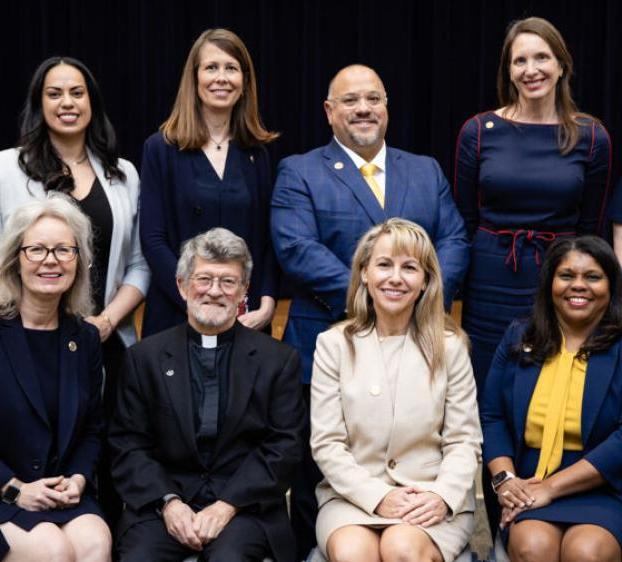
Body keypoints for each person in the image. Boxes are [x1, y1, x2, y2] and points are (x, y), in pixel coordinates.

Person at [271, 64, 469, 556]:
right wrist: (380, 297)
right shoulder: (300, 170)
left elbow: (454, 240)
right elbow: (297, 248)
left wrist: (414, 298)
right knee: (321, 487)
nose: (364, 108)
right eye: (351, 100)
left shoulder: (424, 170)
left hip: (421, 337)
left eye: (374, 98)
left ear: (387, 106)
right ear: (329, 112)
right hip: (329, 335)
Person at [0, 55, 150, 525]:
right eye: (54, 93)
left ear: (92, 102)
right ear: (38, 104)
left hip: (103, 337)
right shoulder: (7, 168)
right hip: (26, 334)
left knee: (96, 453)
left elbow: (140, 263)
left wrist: (105, 322)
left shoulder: (123, 172)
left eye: (77, 92)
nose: (67, 102)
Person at [110, 228, 304, 562]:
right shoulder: (144, 358)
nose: (214, 292)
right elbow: (128, 444)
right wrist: (170, 503)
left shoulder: (278, 360)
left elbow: (284, 445)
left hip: (245, 506)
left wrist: (227, 506)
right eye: (204, 279)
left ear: (244, 291)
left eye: (228, 282)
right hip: (163, 504)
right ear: (182, 285)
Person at [453, 17, 611, 394]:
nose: (531, 70)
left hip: (557, 279)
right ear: (508, 70)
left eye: (542, 57)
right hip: (489, 278)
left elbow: (592, 229)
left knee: (548, 385)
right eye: (519, 60)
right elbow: (464, 220)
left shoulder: (592, 137)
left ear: (561, 65)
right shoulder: (478, 131)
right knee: (486, 382)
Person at [311, 218, 481, 562]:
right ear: (364, 273)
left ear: (425, 281)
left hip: (430, 499)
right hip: (352, 499)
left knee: (401, 548)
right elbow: (327, 444)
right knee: (352, 554)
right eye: (384, 265)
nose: (395, 278)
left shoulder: (450, 348)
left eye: (410, 268)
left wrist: (443, 496)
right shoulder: (333, 345)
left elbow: (464, 441)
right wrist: (377, 496)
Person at [481, 236, 622, 562]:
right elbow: (492, 417)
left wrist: (551, 488)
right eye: (567, 276)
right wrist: (505, 481)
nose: (579, 285)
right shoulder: (519, 337)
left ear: (611, 285)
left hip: (604, 486)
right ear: (550, 283)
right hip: (528, 481)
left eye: (592, 277)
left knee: (586, 552)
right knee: (532, 547)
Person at [140, 28, 278, 338]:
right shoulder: (160, 149)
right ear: (194, 78)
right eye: (211, 67)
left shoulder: (258, 153)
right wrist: (196, 300)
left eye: (231, 68)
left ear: (244, 82)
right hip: (177, 315)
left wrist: (268, 301)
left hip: (245, 317)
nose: (222, 77)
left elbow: (268, 239)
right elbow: (152, 239)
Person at [0, 197, 110, 561]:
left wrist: (78, 479)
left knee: (95, 542)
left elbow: (93, 427)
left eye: (64, 250)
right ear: (15, 259)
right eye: (37, 249)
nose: (51, 260)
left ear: (79, 262)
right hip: (4, 492)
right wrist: (14, 489)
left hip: (60, 491)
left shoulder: (86, 337)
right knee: (52, 550)